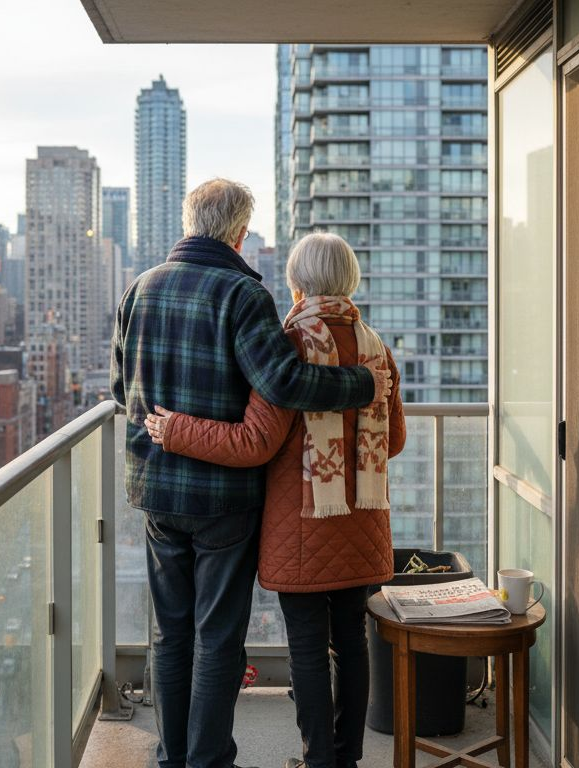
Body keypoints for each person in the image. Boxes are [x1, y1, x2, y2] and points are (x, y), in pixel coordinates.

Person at [111, 182, 392, 768]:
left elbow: (120, 390)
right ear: (240, 233)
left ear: (190, 222)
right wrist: (363, 386)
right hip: (224, 498)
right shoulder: (243, 295)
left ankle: (173, 757)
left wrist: (169, 423)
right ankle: (208, 760)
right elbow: (284, 384)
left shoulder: (139, 289)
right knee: (217, 638)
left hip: (158, 489)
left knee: (170, 636)